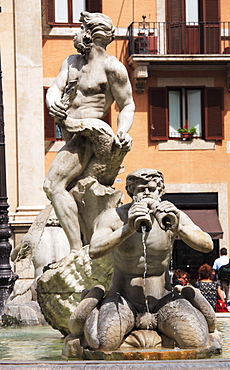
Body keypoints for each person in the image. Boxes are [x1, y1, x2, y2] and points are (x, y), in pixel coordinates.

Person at [69, 169, 214, 350]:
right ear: (131, 192)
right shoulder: (114, 217)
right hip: (123, 299)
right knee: (104, 343)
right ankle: (94, 305)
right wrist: (128, 228)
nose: (147, 193)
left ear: (160, 192)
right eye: (140, 189)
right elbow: (94, 250)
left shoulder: (172, 214)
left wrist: (178, 229)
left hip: (163, 299)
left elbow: (207, 244)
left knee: (195, 341)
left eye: (152, 189)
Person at [43, 11, 135, 252]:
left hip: (91, 135)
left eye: (81, 27)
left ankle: (76, 250)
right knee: (71, 191)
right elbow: (54, 88)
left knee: (53, 185)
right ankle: (86, 242)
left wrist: (122, 131)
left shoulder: (112, 67)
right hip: (71, 132)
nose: (77, 32)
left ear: (91, 34)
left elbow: (127, 105)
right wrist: (52, 100)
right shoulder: (72, 62)